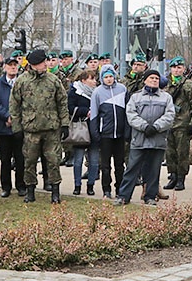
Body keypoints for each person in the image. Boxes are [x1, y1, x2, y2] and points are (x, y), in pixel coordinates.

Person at [10, 49, 69, 204]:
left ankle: (55, 192)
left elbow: (62, 102)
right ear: (34, 65)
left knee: (53, 161)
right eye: (43, 62)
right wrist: (16, 128)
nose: (46, 65)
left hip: (51, 129)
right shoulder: (22, 81)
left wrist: (65, 124)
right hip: (31, 130)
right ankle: (30, 192)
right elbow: (14, 105)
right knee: (29, 161)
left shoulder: (53, 80)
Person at [113, 69, 174, 206]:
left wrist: (156, 127)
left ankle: (150, 196)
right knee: (131, 169)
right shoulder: (136, 97)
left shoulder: (166, 97)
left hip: (157, 140)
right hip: (139, 139)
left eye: (156, 78)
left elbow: (169, 116)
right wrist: (144, 126)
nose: (154, 80)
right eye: (151, 78)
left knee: (154, 171)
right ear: (145, 80)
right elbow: (131, 115)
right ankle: (123, 196)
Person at [89, 64, 127, 199]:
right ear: (102, 78)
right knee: (105, 166)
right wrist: (96, 134)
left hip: (120, 134)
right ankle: (106, 189)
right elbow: (94, 114)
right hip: (105, 134)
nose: (109, 79)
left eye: (111, 76)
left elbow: (127, 112)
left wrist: (127, 131)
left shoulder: (122, 89)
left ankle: (120, 189)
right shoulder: (97, 92)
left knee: (119, 164)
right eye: (106, 77)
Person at [163, 56, 192, 193]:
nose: (176, 70)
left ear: (184, 69)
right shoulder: (166, 84)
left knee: (182, 153)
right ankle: (172, 176)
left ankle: (180, 179)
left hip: (182, 124)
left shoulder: (188, 85)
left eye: (179, 67)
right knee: (170, 152)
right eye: (174, 67)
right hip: (168, 123)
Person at [0, 55, 25, 197]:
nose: (13, 67)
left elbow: (26, 102)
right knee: (5, 159)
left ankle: (21, 185)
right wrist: (6, 116)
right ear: (4, 67)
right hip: (3, 128)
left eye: (15, 65)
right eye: (10, 65)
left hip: (19, 127)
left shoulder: (22, 82)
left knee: (20, 158)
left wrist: (16, 118)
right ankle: (6, 187)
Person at [68, 70, 100, 196]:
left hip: (94, 128)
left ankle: (90, 185)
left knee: (94, 160)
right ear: (83, 80)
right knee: (78, 160)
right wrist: (85, 111)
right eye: (91, 79)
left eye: (95, 79)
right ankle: (77, 185)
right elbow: (70, 107)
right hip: (80, 128)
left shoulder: (98, 92)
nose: (94, 81)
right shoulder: (75, 91)